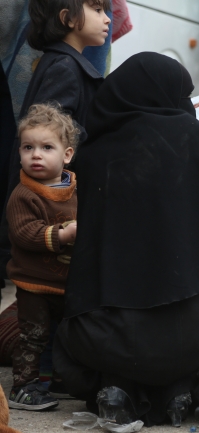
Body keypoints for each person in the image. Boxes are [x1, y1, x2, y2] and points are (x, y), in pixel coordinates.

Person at [53, 52, 199, 427]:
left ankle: (118, 387)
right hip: (189, 342)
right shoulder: (192, 141)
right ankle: (177, 388)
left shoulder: (94, 154)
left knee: (78, 327)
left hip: (102, 339)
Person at [1, 0, 110, 280]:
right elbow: (52, 133)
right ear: (68, 18)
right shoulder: (65, 66)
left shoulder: (62, 61)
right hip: (47, 198)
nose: (107, 18)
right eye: (97, 10)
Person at [5, 103, 78, 411]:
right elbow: (25, 232)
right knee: (33, 335)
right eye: (28, 147)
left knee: (62, 333)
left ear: (67, 155)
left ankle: (54, 379)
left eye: (47, 147)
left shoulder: (75, 188)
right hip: (33, 282)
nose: (35, 154)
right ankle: (24, 386)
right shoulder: (24, 195)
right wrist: (62, 234)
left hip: (65, 281)